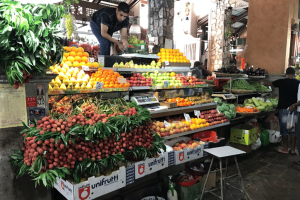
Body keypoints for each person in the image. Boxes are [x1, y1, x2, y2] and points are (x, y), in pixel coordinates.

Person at [263, 67, 300, 154]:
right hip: (294, 108)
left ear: (286, 74)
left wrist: (262, 82)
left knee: (284, 130)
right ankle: (293, 149)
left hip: (283, 109)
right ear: (294, 74)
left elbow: (268, 83)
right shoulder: (298, 83)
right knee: (293, 129)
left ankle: (285, 148)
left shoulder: (281, 81)